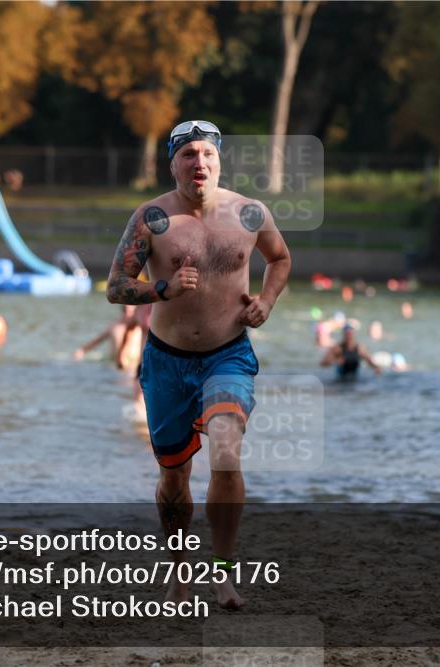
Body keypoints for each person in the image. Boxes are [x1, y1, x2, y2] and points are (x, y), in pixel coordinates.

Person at [106, 119, 291, 610]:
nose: (199, 163)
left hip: (228, 354)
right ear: (173, 164)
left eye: (207, 154)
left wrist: (266, 303)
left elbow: (280, 259)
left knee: (227, 455)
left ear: (219, 160)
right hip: (166, 361)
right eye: (188, 154)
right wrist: (162, 288)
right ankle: (179, 572)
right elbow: (116, 287)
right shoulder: (151, 217)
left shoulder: (249, 213)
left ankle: (225, 573)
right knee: (174, 477)